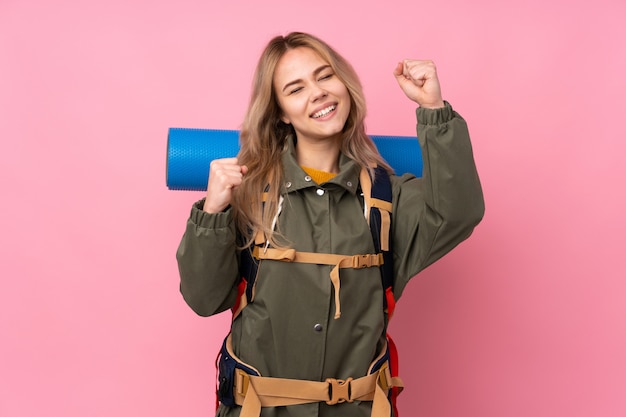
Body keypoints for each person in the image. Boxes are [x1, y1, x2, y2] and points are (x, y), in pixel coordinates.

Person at [176, 31, 484, 417]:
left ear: (344, 84)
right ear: (281, 113)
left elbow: (459, 211)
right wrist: (213, 214)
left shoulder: (390, 201)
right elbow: (204, 300)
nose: (318, 92)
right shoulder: (247, 195)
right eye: (295, 88)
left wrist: (433, 110)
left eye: (325, 76)